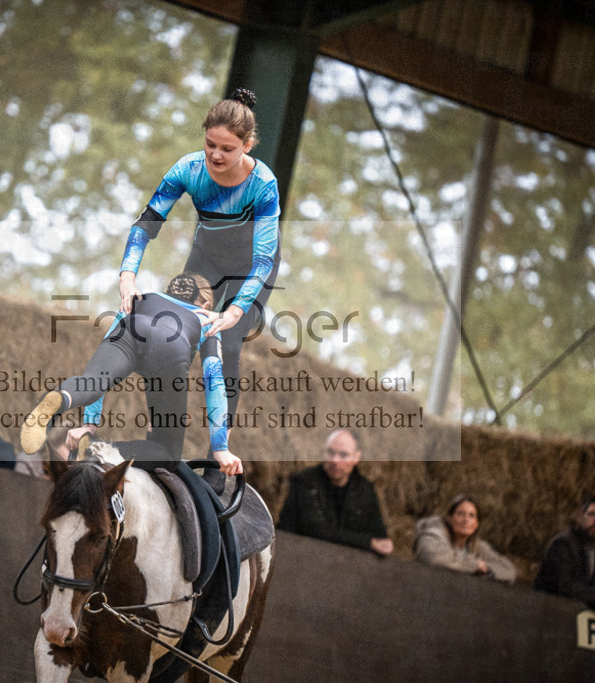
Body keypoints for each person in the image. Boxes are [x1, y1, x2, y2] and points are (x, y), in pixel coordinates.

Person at [117, 87, 280, 426]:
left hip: (251, 266)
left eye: (227, 148)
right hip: (207, 256)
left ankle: (218, 455)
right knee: (172, 332)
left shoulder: (263, 184)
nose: (216, 155)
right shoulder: (188, 169)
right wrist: (127, 276)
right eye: (210, 144)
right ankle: (163, 433)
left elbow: (264, 259)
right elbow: (146, 224)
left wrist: (235, 310)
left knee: (227, 343)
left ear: (247, 146)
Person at [21, 273, 242, 487]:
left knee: (92, 382)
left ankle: (58, 399)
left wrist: (90, 423)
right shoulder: (208, 320)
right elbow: (215, 382)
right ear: (205, 305)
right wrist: (219, 447)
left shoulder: (140, 299)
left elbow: (100, 368)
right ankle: (98, 450)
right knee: (167, 453)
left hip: (130, 329)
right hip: (170, 350)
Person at [276, 429, 393, 556]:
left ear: (356, 458)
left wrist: (378, 544)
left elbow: (380, 537)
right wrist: (367, 542)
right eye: (330, 452)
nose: (335, 461)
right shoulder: (305, 481)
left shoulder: (365, 490)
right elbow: (316, 531)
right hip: (299, 558)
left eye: (343, 455)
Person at [413, 494, 516, 583]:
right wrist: (474, 565)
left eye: (471, 516)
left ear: (476, 524)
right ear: (450, 518)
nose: (466, 520)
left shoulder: (476, 545)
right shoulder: (434, 533)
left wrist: (487, 569)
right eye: (460, 514)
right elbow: (432, 557)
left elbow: (509, 570)